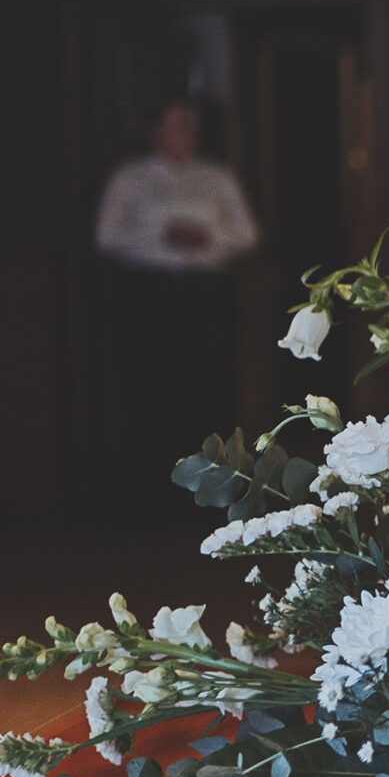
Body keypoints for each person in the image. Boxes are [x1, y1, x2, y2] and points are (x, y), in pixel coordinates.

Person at [93, 100, 260, 518]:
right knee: (149, 392)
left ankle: (210, 500)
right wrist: (162, 236)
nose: (182, 134)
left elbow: (246, 235)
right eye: (173, 126)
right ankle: (149, 501)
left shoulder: (216, 177)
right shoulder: (131, 178)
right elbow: (107, 236)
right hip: (149, 296)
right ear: (155, 131)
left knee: (208, 389)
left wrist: (207, 238)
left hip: (205, 294)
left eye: (188, 125)